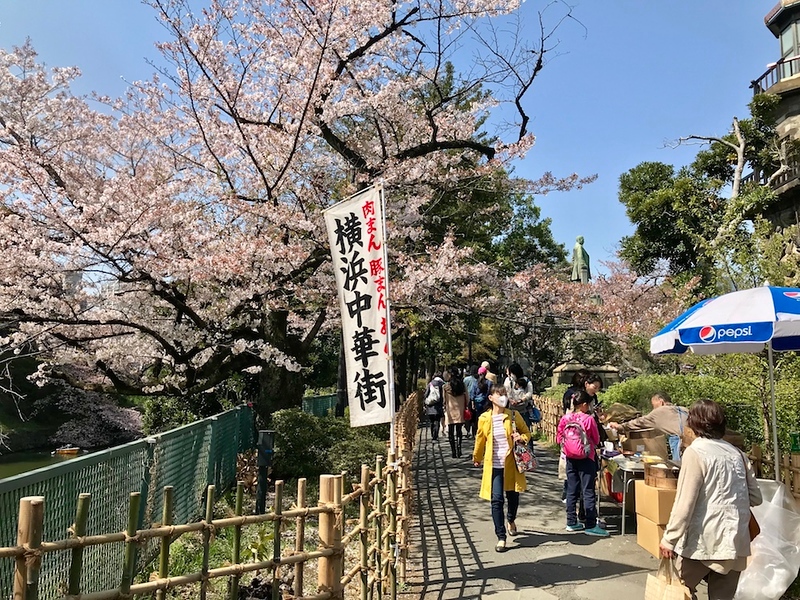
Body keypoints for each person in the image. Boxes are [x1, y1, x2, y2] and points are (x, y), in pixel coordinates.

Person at [659, 399, 762, 600]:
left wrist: (669, 539)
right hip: (736, 541)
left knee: (679, 590)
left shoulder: (695, 452)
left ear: (694, 424)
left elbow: (684, 503)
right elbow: (756, 498)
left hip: (704, 541)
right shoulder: (738, 454)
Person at [472, 384, 530, 553]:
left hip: (512, 463)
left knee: (513, 497)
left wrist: (521, 437)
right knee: (497, 500)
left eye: (504, 394)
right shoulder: (484, 418)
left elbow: (527, 432)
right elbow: (480, 439)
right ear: (491, 398)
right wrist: (477, 457)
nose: (503, 397)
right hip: (494, 465)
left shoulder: (513, 415)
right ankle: (501, 537)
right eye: (499, 394)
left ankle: (511, 519)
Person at [556, 390, 609, 537]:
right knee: (588, 491)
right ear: (584, 404)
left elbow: (558, 437)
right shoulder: (588, 419)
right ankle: (591, 524)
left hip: (570, 458)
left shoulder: (566, 418)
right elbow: (597, 439)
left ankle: (571, 522)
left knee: (572, 490)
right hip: (587, 458)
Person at [608, 391, 688, 461]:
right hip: (693, 443)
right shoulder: (684, 409)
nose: (653, 409)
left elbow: (640, 422)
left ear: (661, 402)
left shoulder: (660, 411)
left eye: (654, 406)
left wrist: (621, 427)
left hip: (680, 444)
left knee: (679, 470)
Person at [443, 367, 468, 458]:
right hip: (460, 410)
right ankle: (459, 448)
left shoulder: (446, 386)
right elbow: (467, 398)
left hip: (450, 410)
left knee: (451, 431)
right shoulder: (462, 385)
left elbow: (444, 400)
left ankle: (453, 451)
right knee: (459, 431)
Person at [504, 362, 535, 429]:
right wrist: (510, 400)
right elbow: (505, 392)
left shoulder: (526, 381)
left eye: (512, 373)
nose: (511, 375)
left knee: (525, 430)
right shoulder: (508, 380)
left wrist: (521, 400)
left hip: (524, 410)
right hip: (512, 411)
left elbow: (529, 393)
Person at [424, 372, 445, 441]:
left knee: (431, 421)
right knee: (437, 421)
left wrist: (425, 402)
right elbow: (443, 396)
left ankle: (433, 435)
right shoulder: (442, 384)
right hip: (438, 405)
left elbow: (426, 394)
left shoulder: (430, 384)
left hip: (430, 405)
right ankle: (435, 436)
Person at [463, 365, 478, 438]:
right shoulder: (478, 380)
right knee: (475, 417)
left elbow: (463, 390)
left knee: (468, 416)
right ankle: (474, 432)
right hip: (475, 399)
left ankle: (468, 431)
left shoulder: (466, 379)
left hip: (467, 399)